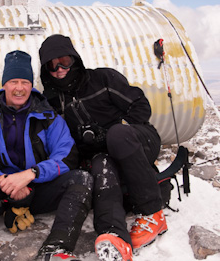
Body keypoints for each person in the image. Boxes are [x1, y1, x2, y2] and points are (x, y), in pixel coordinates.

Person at [39, 34, 167, 261]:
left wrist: (116, 129)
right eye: (52, 65)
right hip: (103, 153)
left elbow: (140, 106)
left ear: (74, 59)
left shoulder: (103, 79)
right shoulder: (52, 101)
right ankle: (113, 236)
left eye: (64, 61)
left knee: (117, 136)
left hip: (137, 138)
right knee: (101, 164)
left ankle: (152, 213)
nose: (59, 69)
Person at [0, 50, 93, 261]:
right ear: (4, 84)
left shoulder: (48, 115)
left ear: (32, 85)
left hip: (38, 187)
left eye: (25, 82)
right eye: (13, 81)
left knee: (81, 179)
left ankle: (56, 248)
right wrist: (1, 179)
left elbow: (66, 155)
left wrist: (32, 174)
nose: (19, 88)